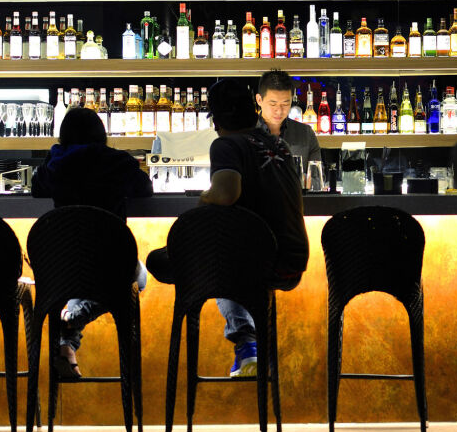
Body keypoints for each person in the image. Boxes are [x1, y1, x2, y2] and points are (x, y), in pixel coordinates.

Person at [147, 78, 308, 378]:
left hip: (259, 263)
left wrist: (202, 204)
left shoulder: (226, 144)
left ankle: (247, 346)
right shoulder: (279, 144)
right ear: (254, 111)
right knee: (226, 252)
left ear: (217, 121)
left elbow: (225, 193)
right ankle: (252, 349)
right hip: (292, 260)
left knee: (165, 260)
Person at [31, 106, 153, 378]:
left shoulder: (55, 162)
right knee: (139, 278)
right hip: (110, 261)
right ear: (101, 133)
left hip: (63, 264)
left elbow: (36, 188)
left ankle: (66, 344)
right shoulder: (117, 162)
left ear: (64, 135)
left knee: (80, 282)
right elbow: (145, 189)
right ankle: (74, 318)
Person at [255, 68, 321, 171]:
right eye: (273, 104)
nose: (279, 111)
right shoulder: (244, 134)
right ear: (259, 100)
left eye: (285, 104)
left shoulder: (306, 134)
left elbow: (316, 177)